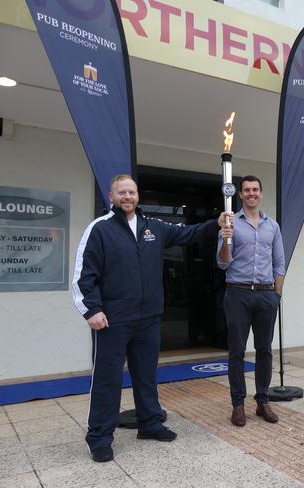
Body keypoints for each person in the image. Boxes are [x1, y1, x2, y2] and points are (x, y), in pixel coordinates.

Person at [72, 174, 231, 462]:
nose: (127, 197)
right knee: (107, 380)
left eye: (131, 192)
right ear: (112, 197)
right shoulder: (99, 229)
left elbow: (189, 234)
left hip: (147, 319)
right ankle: (99, 438)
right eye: (122, 193)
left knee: (146, 376)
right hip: (113, 320)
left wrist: (216, 223)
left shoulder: (153, 227)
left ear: (138, 195)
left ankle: (149, 424)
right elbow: (84, 275)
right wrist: (91, 310)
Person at [217, 175, 285, 427]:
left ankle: (263, 401)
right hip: (238, 293)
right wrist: (226, 239)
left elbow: (279, 262)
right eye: (246, 190)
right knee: (236, 350)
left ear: (261, 193)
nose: (251, 193)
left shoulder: (272, 227)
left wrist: (276, 294)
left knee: (264, 350)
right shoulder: (231, 222)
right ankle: (238, 404)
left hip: (266, 295)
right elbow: (223, 262)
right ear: (240, 194)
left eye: (255, 189)